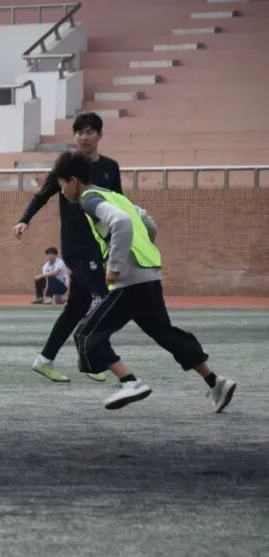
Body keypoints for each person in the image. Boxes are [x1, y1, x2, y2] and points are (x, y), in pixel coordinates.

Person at [51, 152, 237, 412]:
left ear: (73, 181)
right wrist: (141, 251)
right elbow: (149, 224)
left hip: (130, 281)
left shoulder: (89, 199)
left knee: (87, 334)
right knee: (164, 333)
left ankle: (130, 382)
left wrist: (116, 265)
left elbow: (121, 223)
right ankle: (216, 382)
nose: (61, 192)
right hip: (148, 274)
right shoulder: (115, 196)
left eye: (61, 185)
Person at [13, 112, 122, 383]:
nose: (83, 137)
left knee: (76, 308)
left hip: (99, 247)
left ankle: (44, 360)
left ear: (99, 135)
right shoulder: (66, 166)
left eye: (89, 132)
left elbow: (119, 204)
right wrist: (24, 219)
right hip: (76, 247)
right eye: (79, 132)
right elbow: (42, 195)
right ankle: (95, 357)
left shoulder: (110, 167)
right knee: (106, 299)